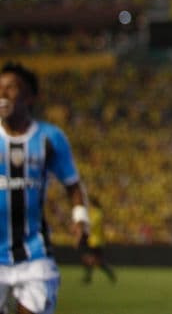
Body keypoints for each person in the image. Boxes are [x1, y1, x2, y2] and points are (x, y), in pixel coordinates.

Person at [0, 62, 89, 314]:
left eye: (11, 88)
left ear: (29, 97)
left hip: (35, 255)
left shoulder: (50, 137)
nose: (2, 94)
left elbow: (72, 184)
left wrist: (80, 219)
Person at [78, 196, 115, 285]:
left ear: (93, 204)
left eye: (89, 203)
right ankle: (90, 277)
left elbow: (91, 225)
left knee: (94, 260)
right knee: (92, 259)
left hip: (95, 240)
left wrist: (83, 224)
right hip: (91, 239)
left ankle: (90, 277)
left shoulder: (97, 213)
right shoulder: (92, 212)